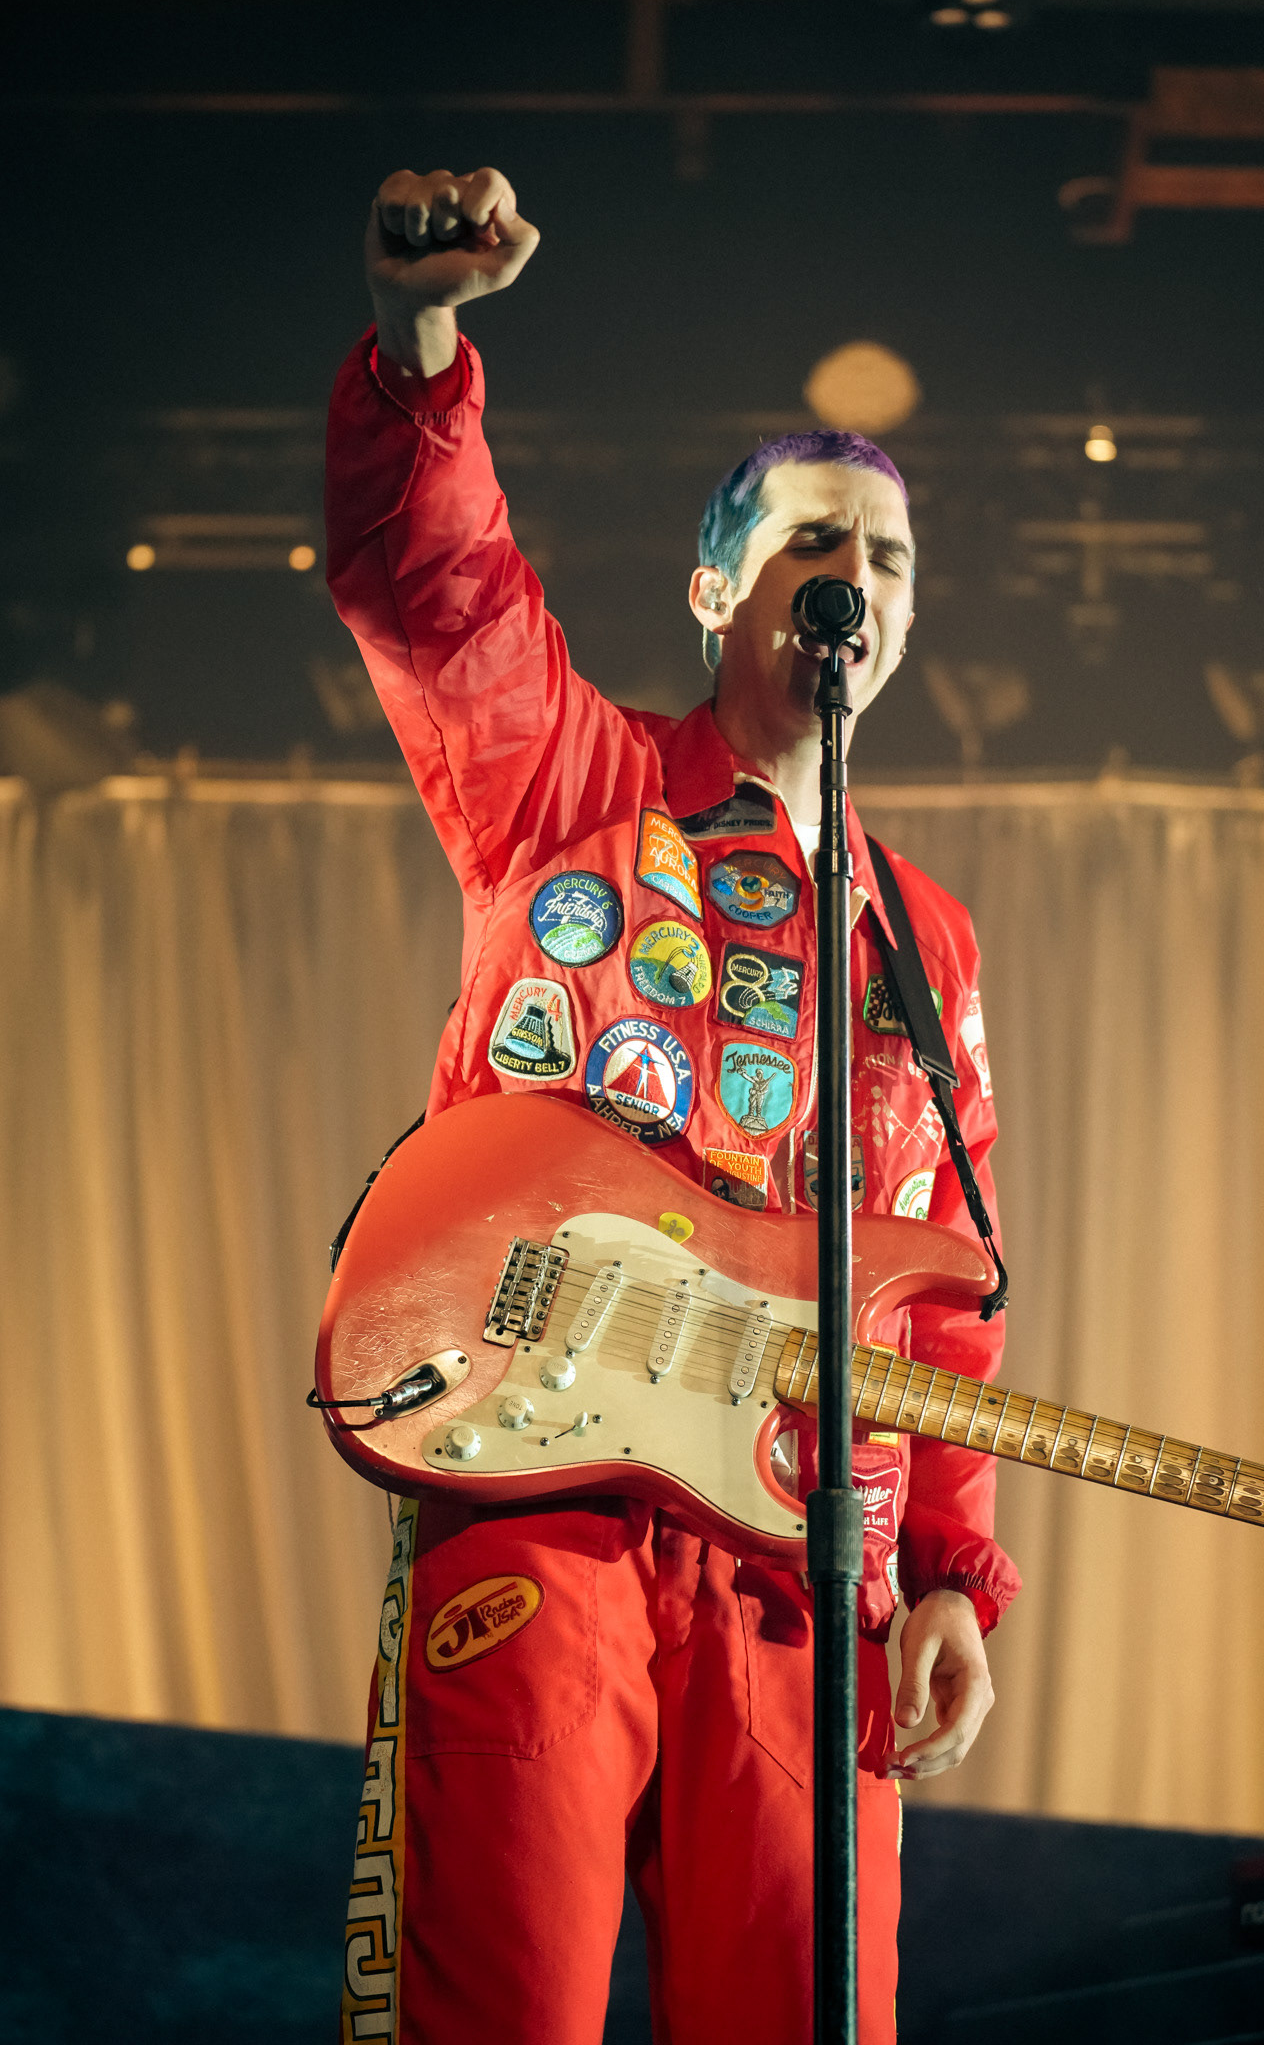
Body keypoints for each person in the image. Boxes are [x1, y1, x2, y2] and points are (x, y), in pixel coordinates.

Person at [325, 164, 1020, 2045]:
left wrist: (946, 1573)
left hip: (803, 1554)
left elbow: (942, 1290)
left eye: (885, 557)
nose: (851, 578)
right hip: (545, 1489)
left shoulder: (923, 937)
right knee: (505, 2004)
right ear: (717, 588)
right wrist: (418, 344)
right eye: (811, 542)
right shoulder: (573, 786)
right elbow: (434, 593)